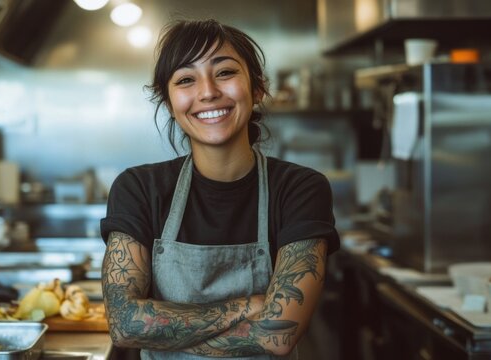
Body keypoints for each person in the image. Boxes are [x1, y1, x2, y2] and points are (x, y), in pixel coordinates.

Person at [100, 18, 340, 359]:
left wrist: (159, 331)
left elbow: (279, 335)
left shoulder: (301, 189)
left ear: (257, 88)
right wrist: (250, 307)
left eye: (225, 72)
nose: (208, 91)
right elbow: (125, 324)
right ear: (169, 103)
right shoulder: (139, 188)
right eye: (185, 79)